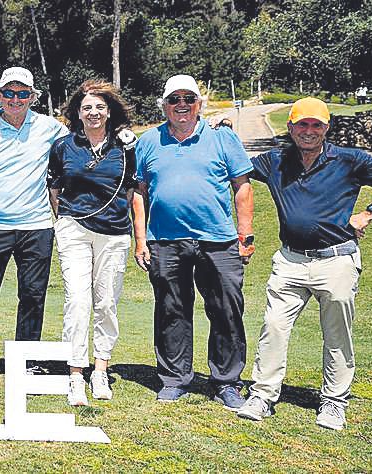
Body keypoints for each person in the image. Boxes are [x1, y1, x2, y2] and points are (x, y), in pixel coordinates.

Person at [237, 98, 372, 430]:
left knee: (336, 333)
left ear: (326, 128)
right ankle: (262, 395)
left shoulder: (349, 160)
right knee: (274, 327)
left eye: (316, 125)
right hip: (289, 261)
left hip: (336, 261)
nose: (309, 131)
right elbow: (235, 169)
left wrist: (369, 213)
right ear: (290, 127)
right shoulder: (275, 161)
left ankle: (334, 401)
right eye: (302, 125)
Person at [133, 74, 255, 409]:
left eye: (189, 99)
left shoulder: (222, 138)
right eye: (174, 100)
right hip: (165, 241)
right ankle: (174, 379)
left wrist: (246, 235)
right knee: (172, 310)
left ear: (199, 104)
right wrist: (141, 239)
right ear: (165, 105)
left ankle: (227, 381)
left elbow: (242, 186)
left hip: (218, 240)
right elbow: (139, 194)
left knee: (227, 309)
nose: (182, 105)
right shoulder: (148, 141)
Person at [0, 66, 69, 375]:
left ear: (32, 97)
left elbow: (81, 138)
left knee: (33, 295)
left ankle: (25, 361)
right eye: (9, 93)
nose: (15, 99)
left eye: (22, 93)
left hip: (37, 226)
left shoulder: (51, 128)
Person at [47, 79, 140, 405]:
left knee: (106, 303)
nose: (93, 112)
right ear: (77, 112)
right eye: (87, 107)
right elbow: (55, 190)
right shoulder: (63, 146)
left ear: (109, 110)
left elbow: (131, 191)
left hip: (113, 234)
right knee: (78, 300)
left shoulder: (125, 146)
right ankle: (75, 373)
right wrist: (67, 221)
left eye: (100, 107)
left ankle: (100, 369)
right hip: (74, 230)